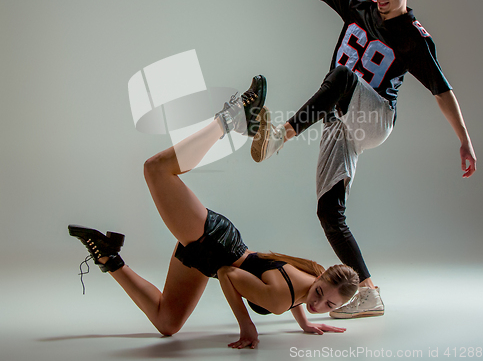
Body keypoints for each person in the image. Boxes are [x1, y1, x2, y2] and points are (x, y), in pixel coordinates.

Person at [251, 0, 477, 319]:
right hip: (340, 118)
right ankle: (369, 291)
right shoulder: (359, 0)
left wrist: (464, 141)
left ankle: (278, 136)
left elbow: (442, 92)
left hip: (375, 118)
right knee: (327, 212)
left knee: (343, 76)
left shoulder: (414, 37)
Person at [69, 76, 359, 350]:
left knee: (166, 323)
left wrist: (306, 322)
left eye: (329, 306)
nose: (319, 304)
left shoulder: (311, 276)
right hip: (215, 242)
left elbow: (297, 294)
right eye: (321, 294)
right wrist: (247, 326)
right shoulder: (284, 296)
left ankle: (108, 255)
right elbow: (227, 273)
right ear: (322, 278)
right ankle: (231, 118)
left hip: (211, 253)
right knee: (155, 169)